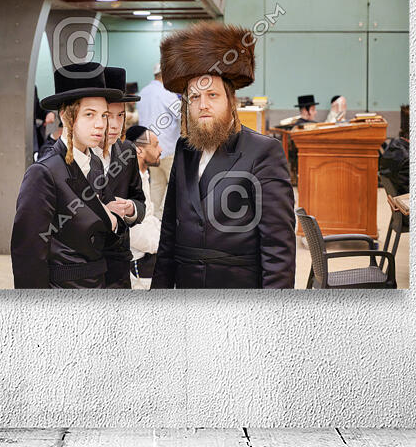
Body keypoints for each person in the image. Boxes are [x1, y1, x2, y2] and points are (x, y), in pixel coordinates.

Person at [152, 22, 296, 289]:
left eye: (212, 95)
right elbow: (169, 232)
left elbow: (278, 248)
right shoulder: (185, 149)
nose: (203, 104)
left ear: (231, 101)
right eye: (194, 97)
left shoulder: (263, 151)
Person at [10, 63, 129, 288]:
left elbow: (107, 236)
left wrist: (113, 221)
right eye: (89, 114)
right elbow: (28, 256)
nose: (100, 125)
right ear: (65, 116)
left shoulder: (95, 163)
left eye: (103, 115)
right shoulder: (43, 173)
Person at [94, 67, 147, 288]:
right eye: (108, 116)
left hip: (119, 264)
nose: (115, 124)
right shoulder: (75, 156)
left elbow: (139, 200)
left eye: (121, 115)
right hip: (85, 265)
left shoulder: (127, 152)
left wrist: (131, 209)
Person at [138, 62, 180, 213]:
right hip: (167, 148)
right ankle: (167, 215)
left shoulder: (143, 92)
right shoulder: (167, 93)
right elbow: (182, 114)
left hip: (148, 149)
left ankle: (155, 217)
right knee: (175, 184)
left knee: (156, 183)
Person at [125, 125, 163, 290]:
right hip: (138, 266)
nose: (161, 150)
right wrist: (164, 244)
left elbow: (149, 217)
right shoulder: (128, 182)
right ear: (139, 151)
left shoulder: (143, 175)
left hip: (149, 258)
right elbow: (133, 232)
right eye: (155, 145)